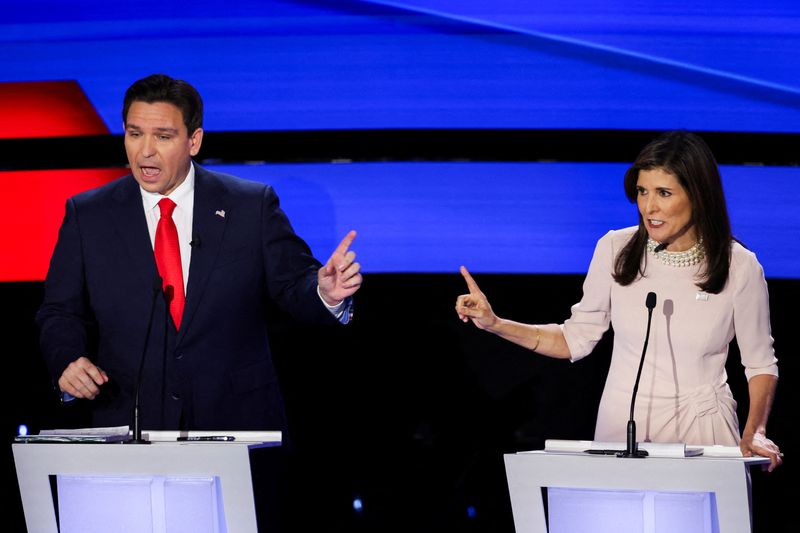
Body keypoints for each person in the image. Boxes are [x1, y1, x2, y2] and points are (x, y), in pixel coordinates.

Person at [36, 73, 362, 433]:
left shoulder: (249, 206)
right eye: (134, 134)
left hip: (235, 424)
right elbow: (60, 310)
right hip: (130, 425)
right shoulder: (89, 214)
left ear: (194, 140)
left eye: (163, 136)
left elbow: (292, 284)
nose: (145, 151)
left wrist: (324, 293)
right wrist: (67, 360)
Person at [455, 130, 782, 471]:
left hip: (703, 432)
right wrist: (496, 324)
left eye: (663, 193)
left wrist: (755, 432)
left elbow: (760, 364)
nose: (648, 207)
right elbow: (574, 338)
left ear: (698, 195)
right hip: (622, 429)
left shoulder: (740, 266)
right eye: (642, 191)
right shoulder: (615, 249)